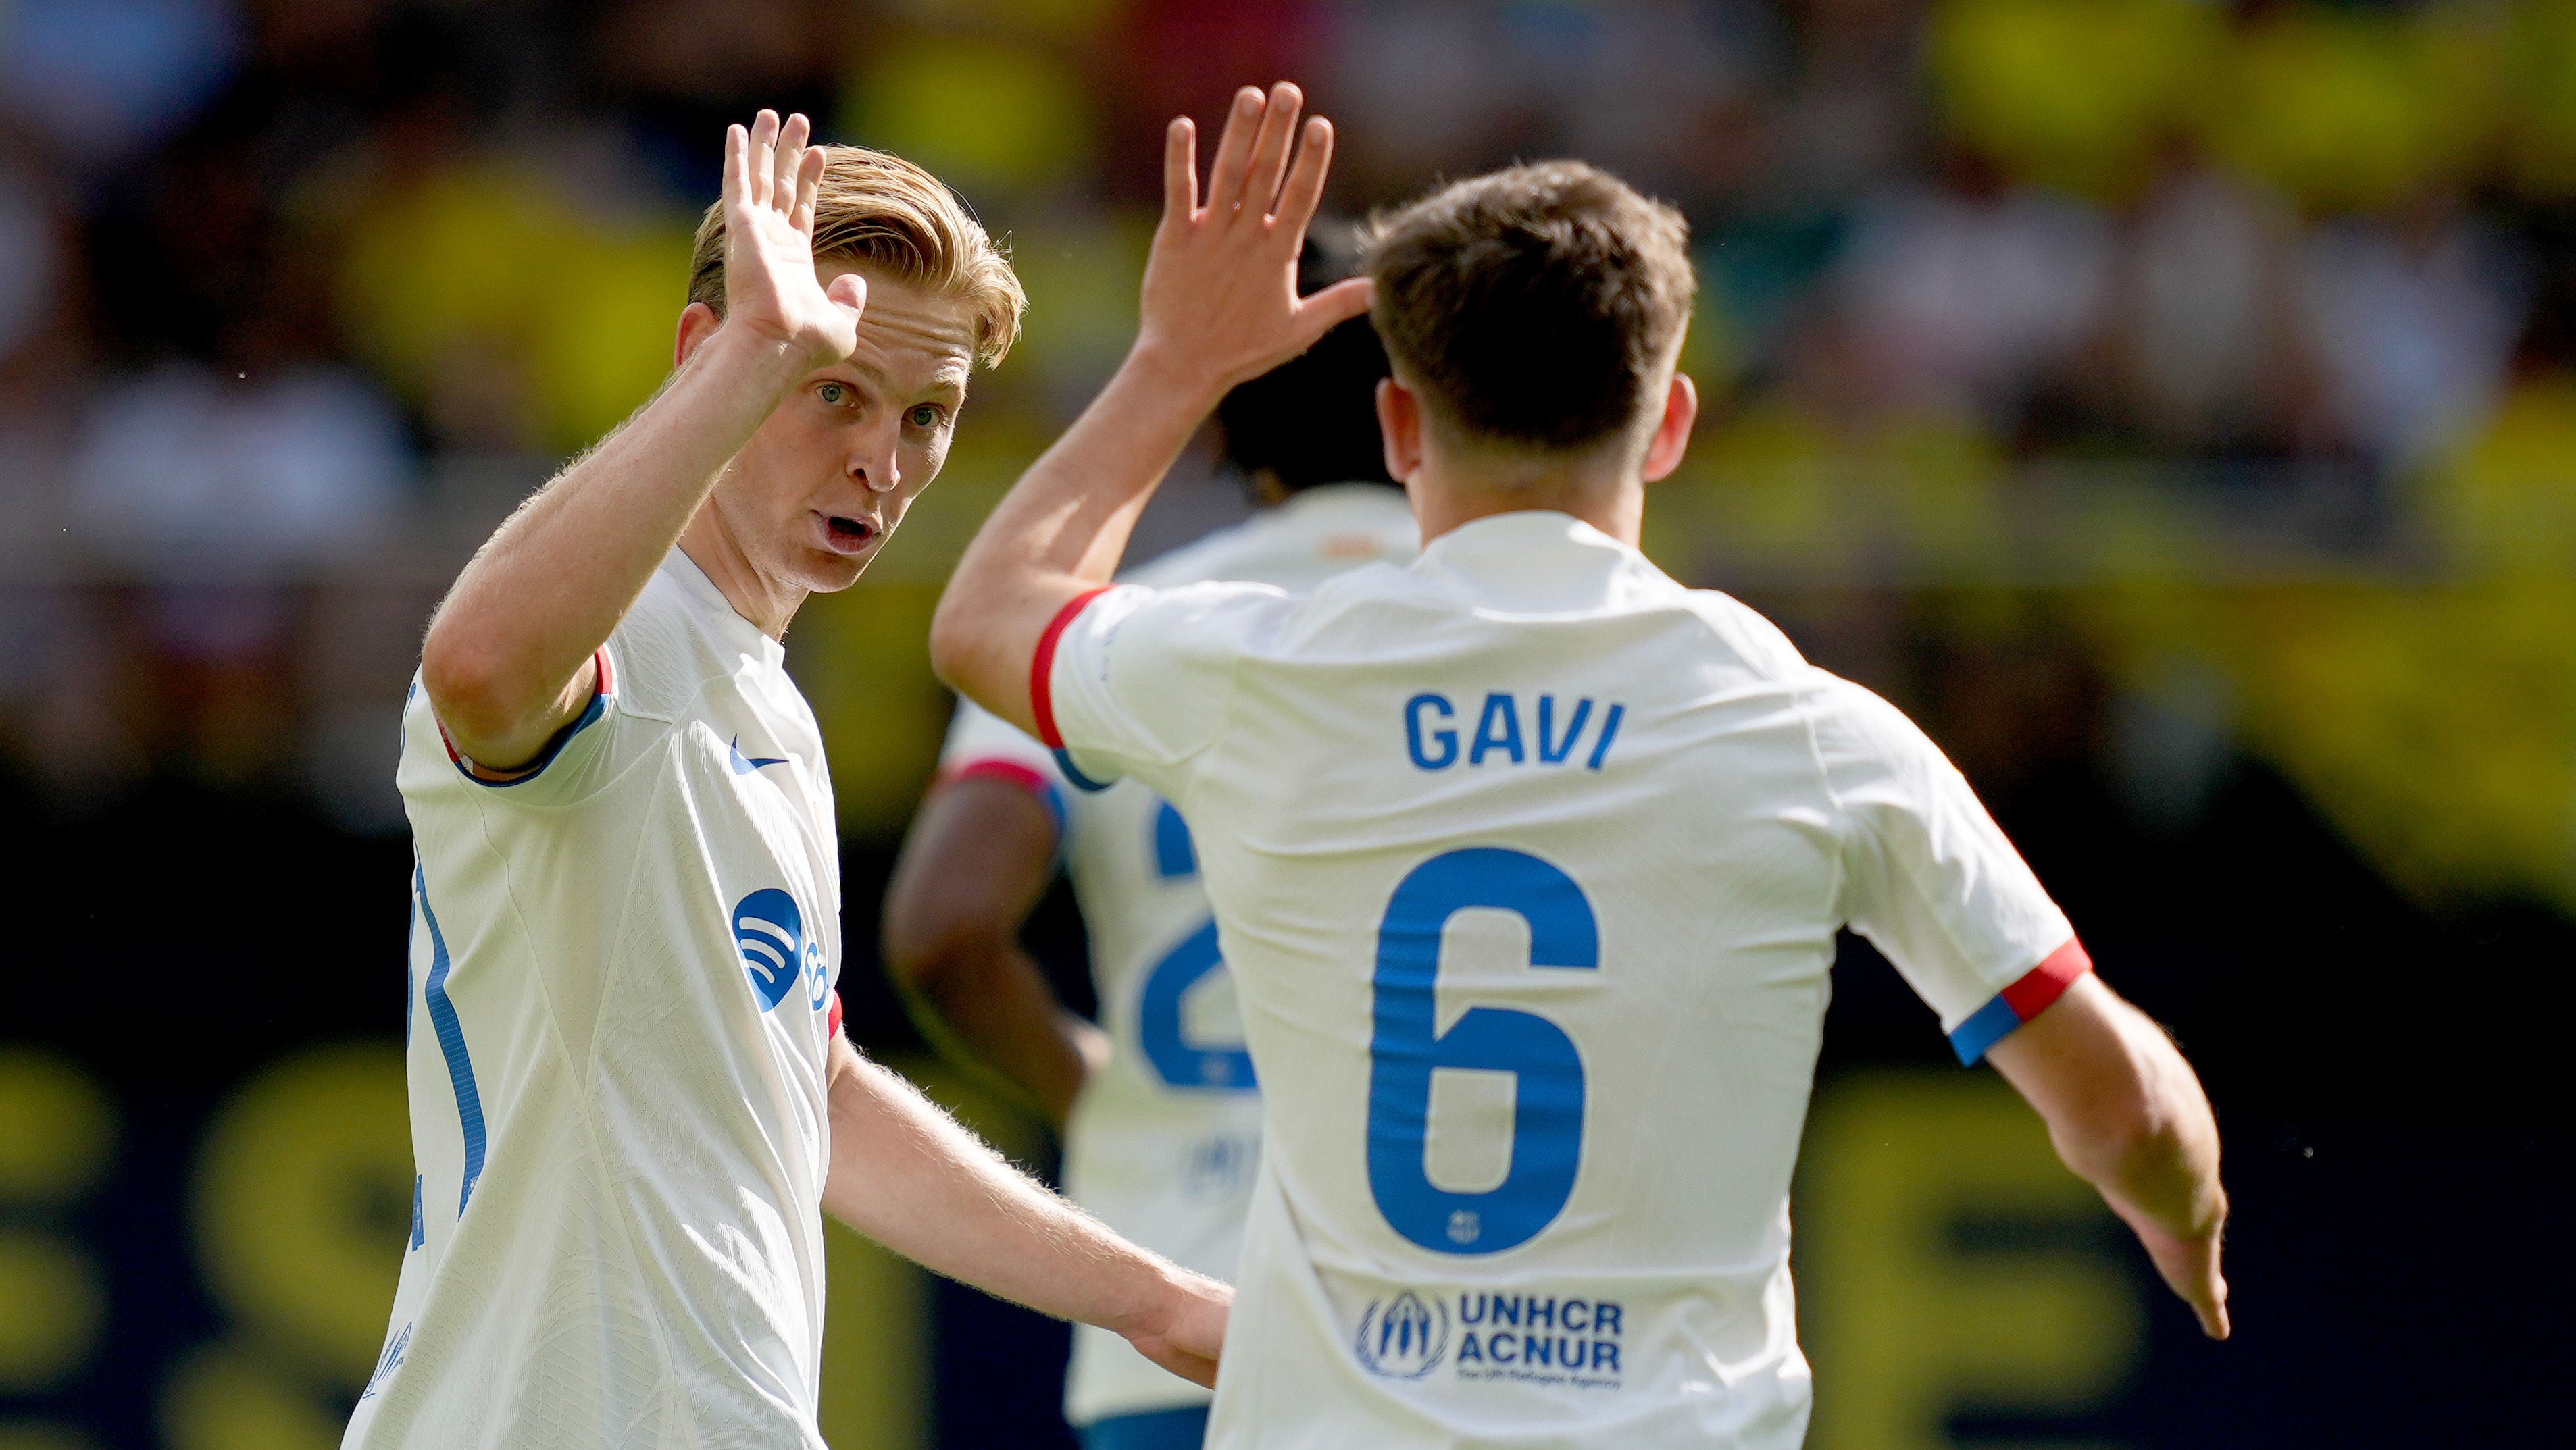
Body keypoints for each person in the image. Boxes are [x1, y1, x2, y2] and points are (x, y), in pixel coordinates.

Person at [931, 83, 2230, 1449]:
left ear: (1401, 430)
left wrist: (1176, 363)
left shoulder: (1263, 677)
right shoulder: (1810, 731)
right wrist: (2181, 1213)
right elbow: (2123, 1103)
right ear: (1668, 423)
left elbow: (986, 621)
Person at [346, 112, 1226, 1450]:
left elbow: (810, 1092)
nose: (884, 460)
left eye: (926, 416)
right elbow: (474, 671)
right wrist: (762, 353)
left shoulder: (765, 703)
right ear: (711, 353)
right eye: (836, 391)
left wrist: (1154, 1302)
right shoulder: (622, 633)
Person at [883, 228, 1415, 1450]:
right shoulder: (1526, 634)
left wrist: (1098, 1092)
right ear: (1425, 415)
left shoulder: (1112, 636)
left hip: (1181, 1314)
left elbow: (945, 928)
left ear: (1221, 425)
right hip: (1471, 1324)